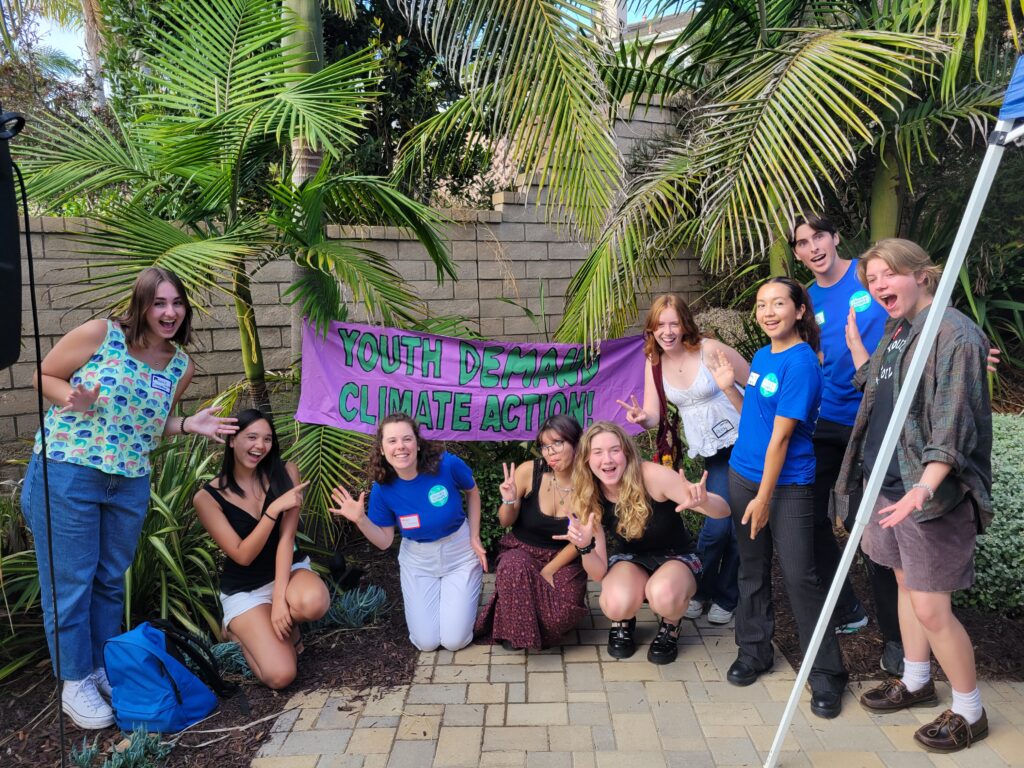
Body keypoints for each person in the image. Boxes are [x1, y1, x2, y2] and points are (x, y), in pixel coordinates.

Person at [20, 267, 237, 729]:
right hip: (69, 468)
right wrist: (70, 399)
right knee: (72, 582)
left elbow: (152, 424)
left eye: (177, 303)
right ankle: (74, 681)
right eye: (159, 302)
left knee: (109, 580)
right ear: (141, 304)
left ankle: (100, 667)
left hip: (130, 480)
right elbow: (44, 374)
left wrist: (187, 424)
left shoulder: (180, 365)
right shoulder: (103, 334)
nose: (170, 312)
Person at [837, 239, 993, 753]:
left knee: (931, 608)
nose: (878, 285)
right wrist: (860, 351)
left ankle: (971, 710)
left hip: (927, 496)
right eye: (872, 279)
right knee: (905, 588)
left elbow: (952, 425)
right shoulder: (897, 329)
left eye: (887, 275)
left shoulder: (954, 335)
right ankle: (917, 679)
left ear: (922, 274)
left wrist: (924, 488)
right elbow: (881, 392)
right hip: (888, 485)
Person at [726, 276, 848, 720]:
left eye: (779, 303)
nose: (768, 311)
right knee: (752, 569)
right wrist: (727, 387)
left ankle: (827, 673)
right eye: (762, 305)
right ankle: (754, 650)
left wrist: (763, 496)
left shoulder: (801, 364)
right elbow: (756, 418)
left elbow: (781, 439)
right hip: (743, 477)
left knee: (800, 578)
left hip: (787, 487)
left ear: (800, 311)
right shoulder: (761, 355)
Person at [790, 213, 896, 658]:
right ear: (797, 254)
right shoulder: (805, 299)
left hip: (873, 416)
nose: (813, 247)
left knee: (870, 524)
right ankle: (848, 606)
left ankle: (896, 638)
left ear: (835, 238)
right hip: (825, 421)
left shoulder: (866, 273)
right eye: (802, 243)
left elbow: (913, 309)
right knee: (806, 516)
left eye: (819, 237)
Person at [617, 294, 749, 625]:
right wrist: (639, 418)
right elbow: (654, 414)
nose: (668, 330)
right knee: (719, 524)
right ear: (652, 329)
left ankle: (725, 596)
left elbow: (757, 384)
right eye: (660, 324)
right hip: (712, 452)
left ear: (685, 323)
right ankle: (701, 589)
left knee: (734, 527)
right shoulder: (655, 361)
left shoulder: (708, 349)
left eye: (674, 322)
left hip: (746, 443)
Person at [562, 421, 730, 665]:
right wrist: (584, 547)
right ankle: (624, 620)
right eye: (597, 452)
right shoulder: (588, 492)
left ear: (627, 453)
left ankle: (671, 625)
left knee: (662, 594)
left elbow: (723, 511)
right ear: (587, 459)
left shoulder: (651, 475)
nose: (606, 459)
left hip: (677, 556)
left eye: (614, 450)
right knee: (615, 603)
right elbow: (598, 573)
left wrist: (703, 501)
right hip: (630, 559)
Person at [193, 409, 330, 689]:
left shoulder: (286, 472)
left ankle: (279, 621)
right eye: (251, 437)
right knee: (281, 676)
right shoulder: (207, 498)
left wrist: (279, 600)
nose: (260, 446)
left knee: (314, 602)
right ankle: (238, 633)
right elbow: (243, 555)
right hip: (246, 589)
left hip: (289, 571)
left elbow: (286, 540)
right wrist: (273, 511)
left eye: (267, 439)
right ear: (232, 440)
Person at [330, 413, 486, 652]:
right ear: (382, 449)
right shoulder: (382, 488)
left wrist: (474, 535)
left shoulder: (447, 465)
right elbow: (384, 542)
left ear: (418, 442)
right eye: (392, 441)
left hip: (459, 554)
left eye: (406, 439)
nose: (400, 447)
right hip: (418, 562)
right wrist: (360, 520)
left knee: (454, 641)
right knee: (427, 643)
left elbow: (472, 491)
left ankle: (464, 591)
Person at [474, 415, 589, 650]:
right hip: (522, 551)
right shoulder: (529, 471)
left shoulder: (589, 482)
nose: (550, 452)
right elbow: (506, 521)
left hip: (564, 558)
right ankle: (517, 626)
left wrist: (549, 570)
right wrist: (508, 500)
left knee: (560, 617)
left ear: (576, 443)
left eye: (557, 443)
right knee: (514, 565)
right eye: (545, 446)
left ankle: (515, 609)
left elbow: (583, 539)